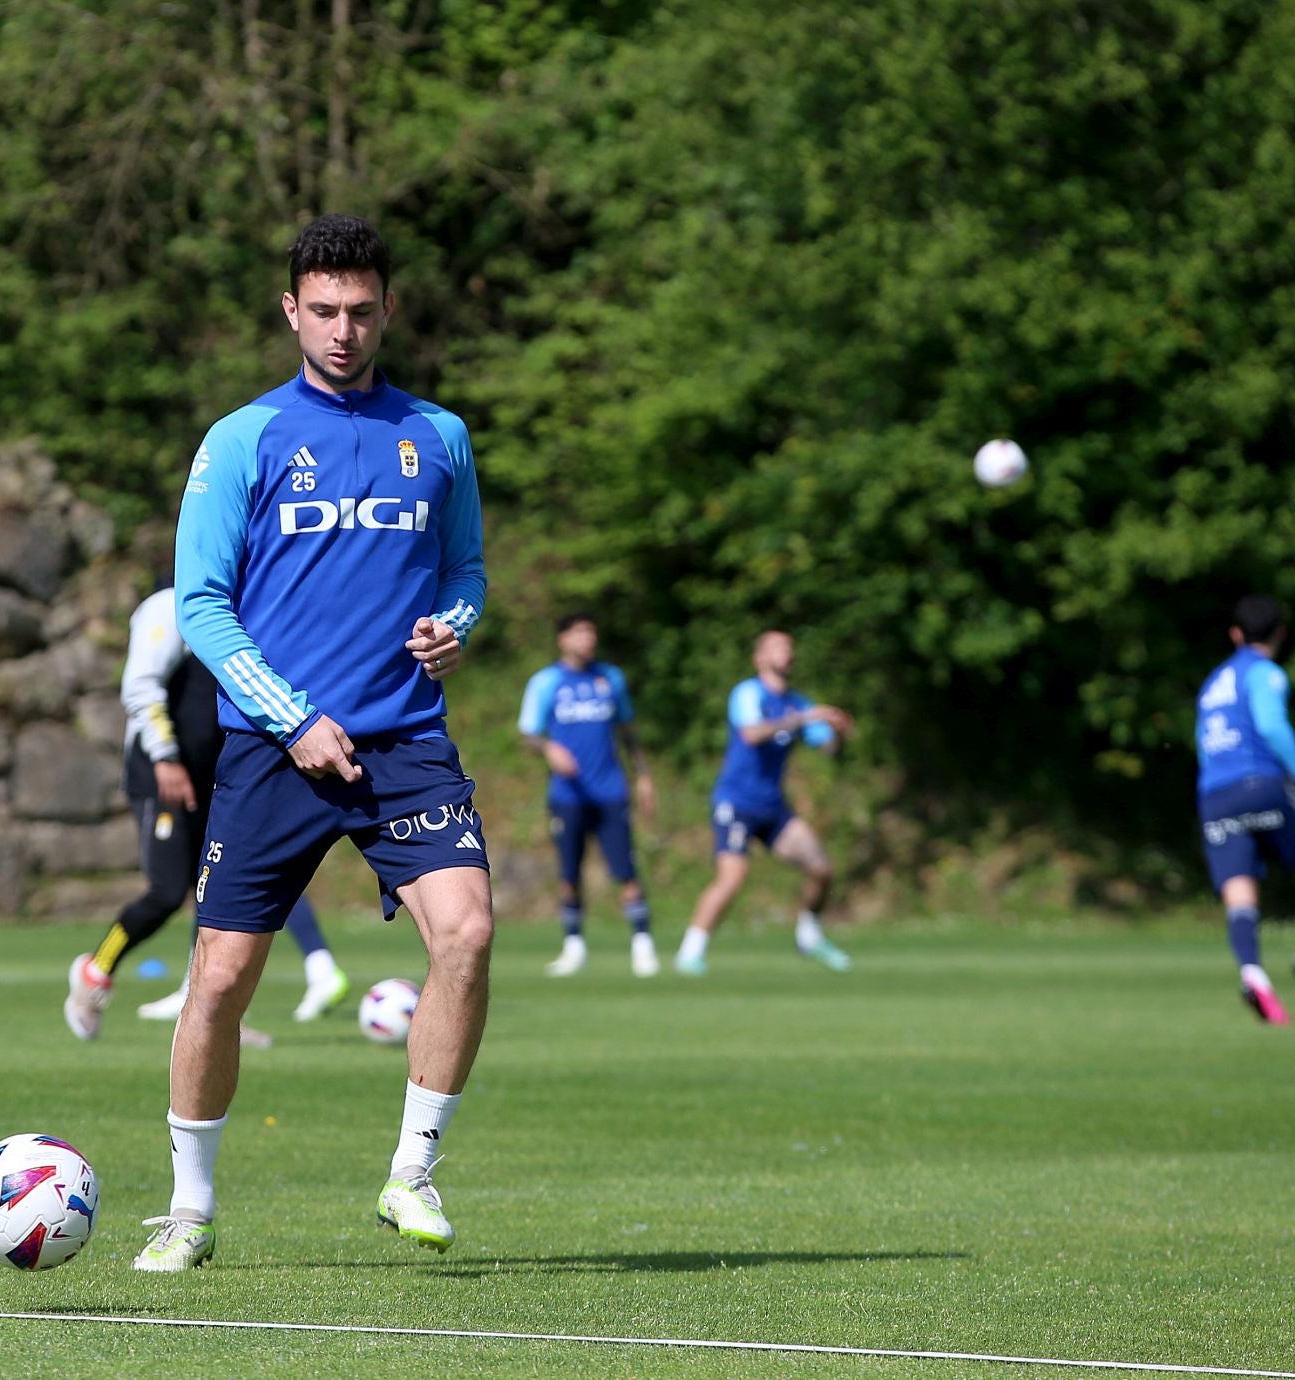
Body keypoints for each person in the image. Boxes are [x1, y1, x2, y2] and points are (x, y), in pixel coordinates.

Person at [132, 214, 490, 1273]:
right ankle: (189, 1210)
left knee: (466, 935)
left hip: (404, 742)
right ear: (291, 310)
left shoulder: (441, 435)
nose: (343, 329)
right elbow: (202, 605)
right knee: (222, 983)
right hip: (269, 752)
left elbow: (465, 573)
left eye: (362, 310)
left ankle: (412, 1172)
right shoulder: (242, 437)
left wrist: (452, 629)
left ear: (389, 310)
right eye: (324, 310)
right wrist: (291, 719)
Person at [62, 581, 351, 1043]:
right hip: (166, 775)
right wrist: (166, 758)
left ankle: (214, 1019)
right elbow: (141, 686)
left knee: (218, 891)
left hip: (224, 778)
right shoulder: (169, 606)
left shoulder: (255, 601)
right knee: (167, 890)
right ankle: (96, 971)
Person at [674, 629, 854, 976]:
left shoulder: (798, 701)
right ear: (759, 658)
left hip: (773, 807)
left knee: (821, 868)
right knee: (732, 878)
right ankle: (690, 952)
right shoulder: (749, 693)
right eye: (776, 647)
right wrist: (804, 719)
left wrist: (838, 734)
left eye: (789, 647)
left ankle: (809, 936)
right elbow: (751, 733)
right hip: (736, 801)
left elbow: (826, 747)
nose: (785, 653)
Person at [518, 612, 658, 976]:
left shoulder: (610, 678)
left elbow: (628, 730)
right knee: (569, 872)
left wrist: (643, 775)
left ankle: (643, 945)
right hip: (567, 794)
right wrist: (549, 749)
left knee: (625, 868)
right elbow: (530, 733)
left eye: (591, 633)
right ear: (563, 639)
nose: (587, 640)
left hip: (610, 789)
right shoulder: (547, 682)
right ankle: (573, 946)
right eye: (579, 633)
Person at [1194, 594, 1295, 1024]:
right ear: (1279, 633)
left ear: (1235, 634)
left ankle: (1253, 972)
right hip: (1260, 781)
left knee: (1240, 893)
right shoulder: (1266, 673)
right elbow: (1272, 726)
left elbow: (1203, 744)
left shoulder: (1212, 683)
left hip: (1215, 793)